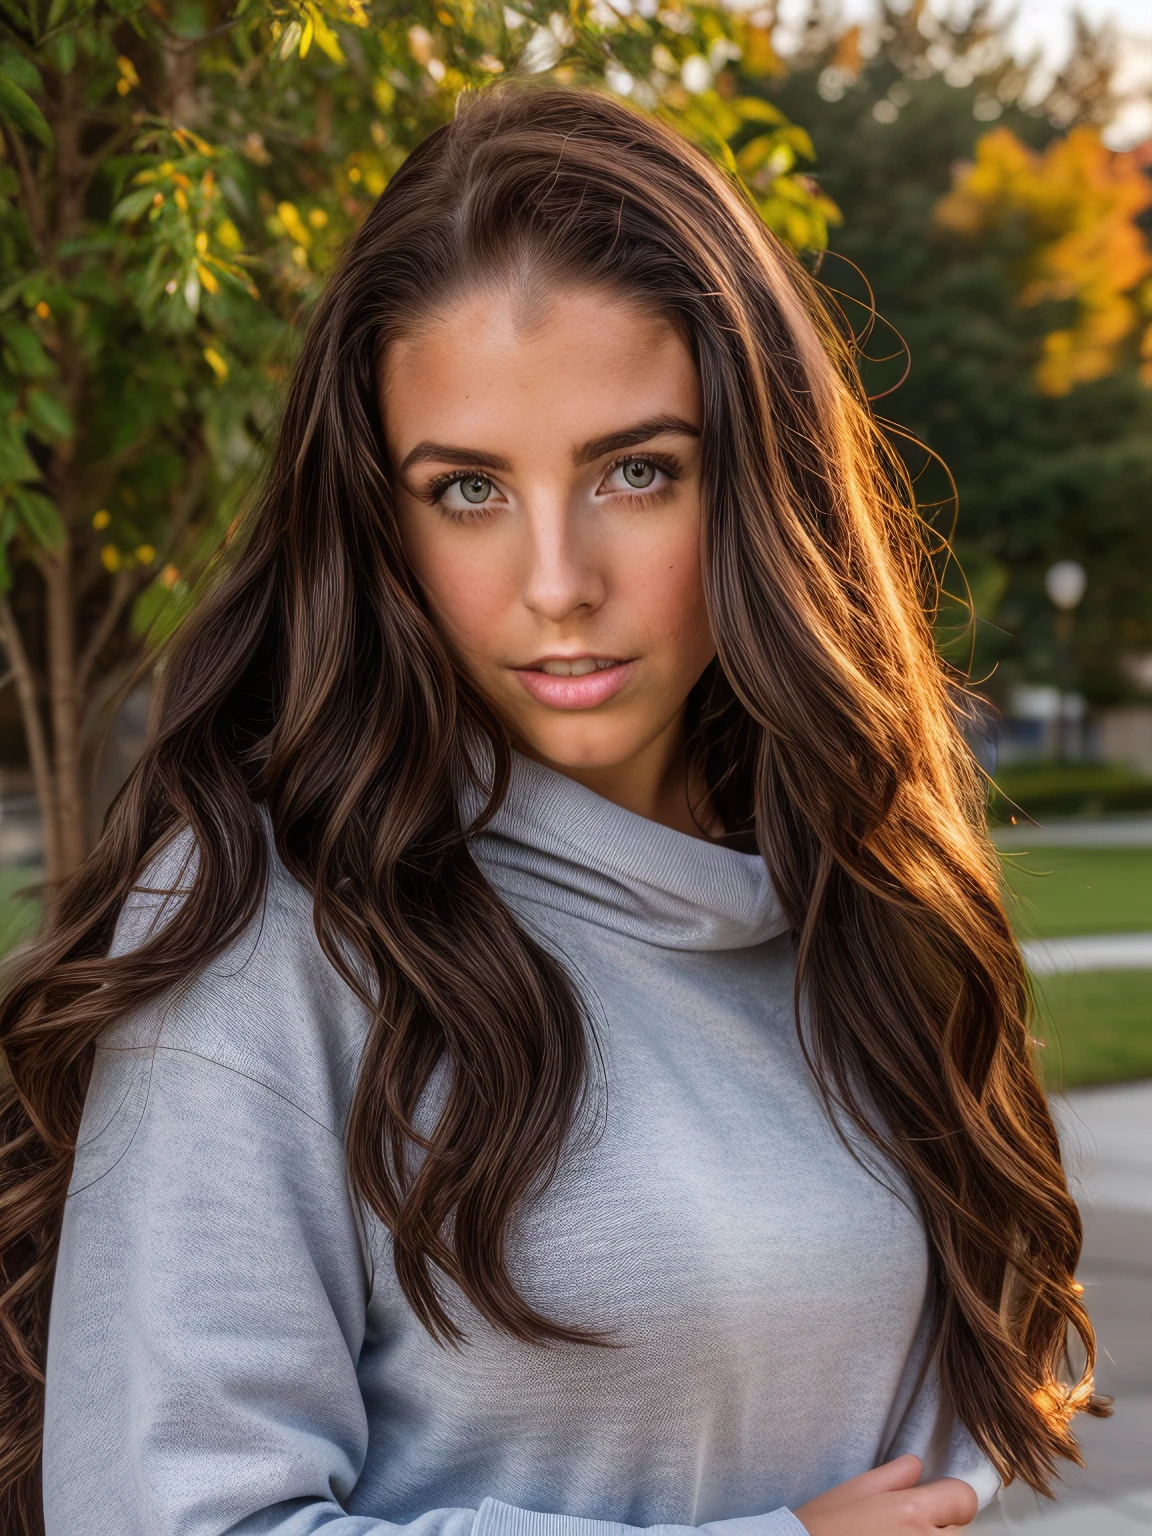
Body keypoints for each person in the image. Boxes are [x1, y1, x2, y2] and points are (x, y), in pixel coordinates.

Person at [0, 86, 1104, 1536]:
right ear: (378, 521)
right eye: (467, 490)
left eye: (635, 471)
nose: (555, 582)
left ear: (762, 485)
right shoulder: (264, 928)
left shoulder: (857, 898)